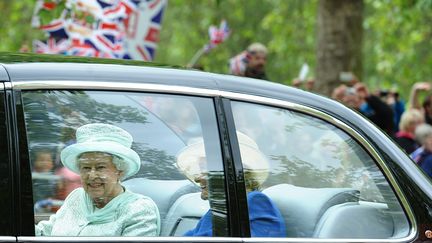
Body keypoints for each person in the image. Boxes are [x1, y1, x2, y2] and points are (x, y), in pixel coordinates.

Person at [35, 123, 160, 236]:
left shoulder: (138, 210)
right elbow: (44, 233)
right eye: (86, 167)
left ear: (119, 171)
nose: (92, 175)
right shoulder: (76, 197)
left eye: (100, 167)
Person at [176, 133, 286, 237]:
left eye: (205, 169)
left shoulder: (255, 202)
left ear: (231, 172)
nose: (197, 178)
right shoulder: (219, 210)